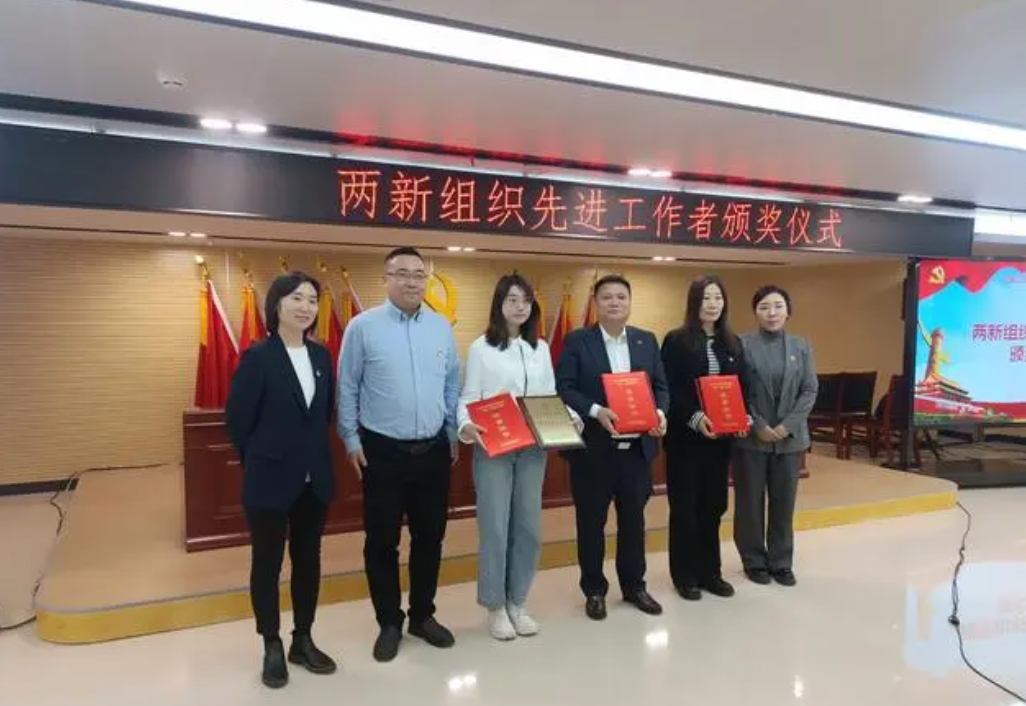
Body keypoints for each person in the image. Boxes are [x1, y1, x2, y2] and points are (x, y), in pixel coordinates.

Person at [336, 246, 460, 663]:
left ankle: (422, 615)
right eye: (402, 273)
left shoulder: (441, 327)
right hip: (382, 452)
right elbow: (347, 385)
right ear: (386, 278)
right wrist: (350, 438)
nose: (411, 281)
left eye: (419, 274)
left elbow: (451, 382)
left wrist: (451, 429)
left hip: (433, 451)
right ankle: (389, 621)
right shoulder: (363, 327)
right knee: (382, 540)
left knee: (430, 537)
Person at [225, 271, 338, 689]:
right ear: (276, 305)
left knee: (308, 561)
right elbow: (238, 422)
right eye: (296, 298)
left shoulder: (321, 356)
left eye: (312, 300)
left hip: (314, 479)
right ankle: (271, 643)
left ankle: (302, 638)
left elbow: (323, 416)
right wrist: (262, 460)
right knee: (267, 563)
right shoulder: (259, 357)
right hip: (269, 479)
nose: (306, 307)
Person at [457, 273, 583, 641]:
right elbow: (468, 397)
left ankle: (517, 601)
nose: (519, 307)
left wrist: (570, 417)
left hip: (533, 449)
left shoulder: (539, 347)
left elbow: (548, 396)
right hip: (494, 449)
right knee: (496, 528)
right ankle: (495, 606)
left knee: (528, 528)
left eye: (526, 300)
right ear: (499, 304)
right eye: (512, 299)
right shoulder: (481, 348)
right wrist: (465, 424)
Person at [556, 274, 669, 620]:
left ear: (630, 302)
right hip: (594, 451)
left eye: (621, 296)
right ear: (596, 303)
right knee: (591, 524)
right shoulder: (578, 341)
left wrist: (659, 413)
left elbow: (661, 386)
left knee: (634, 523)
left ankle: (635, 586)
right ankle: (594, 590)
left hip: (636, 452)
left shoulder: (646, 340)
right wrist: (595, 411)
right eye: (607, 297)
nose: (614, 302)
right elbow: (565, 387)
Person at [660, 275, 750, 601]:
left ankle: (711, 572)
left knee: (714, 506)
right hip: (686, 439)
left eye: (717, 298)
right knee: (685, 507)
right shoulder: (676, 341)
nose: (712, 304)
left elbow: (741, 387)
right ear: (693, 302)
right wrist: (696, 418)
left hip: (720, 441)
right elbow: (669, 388)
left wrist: (743, 417)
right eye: (705, 298)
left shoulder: (733, 343)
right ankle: (685, 576)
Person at [733, 285, 818, 587]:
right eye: (764, 307)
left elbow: (809, 389)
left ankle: (781, 562)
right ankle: (754, 560)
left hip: (789, 440)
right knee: (750, 503)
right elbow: (736, 389)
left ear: (788, 311)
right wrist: (758, 424)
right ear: (755, 311)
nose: (772, 313)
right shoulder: (741, 344)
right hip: (752, 438)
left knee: (784, 503)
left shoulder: (801, 346)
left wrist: (787, 426)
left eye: (778, 306)